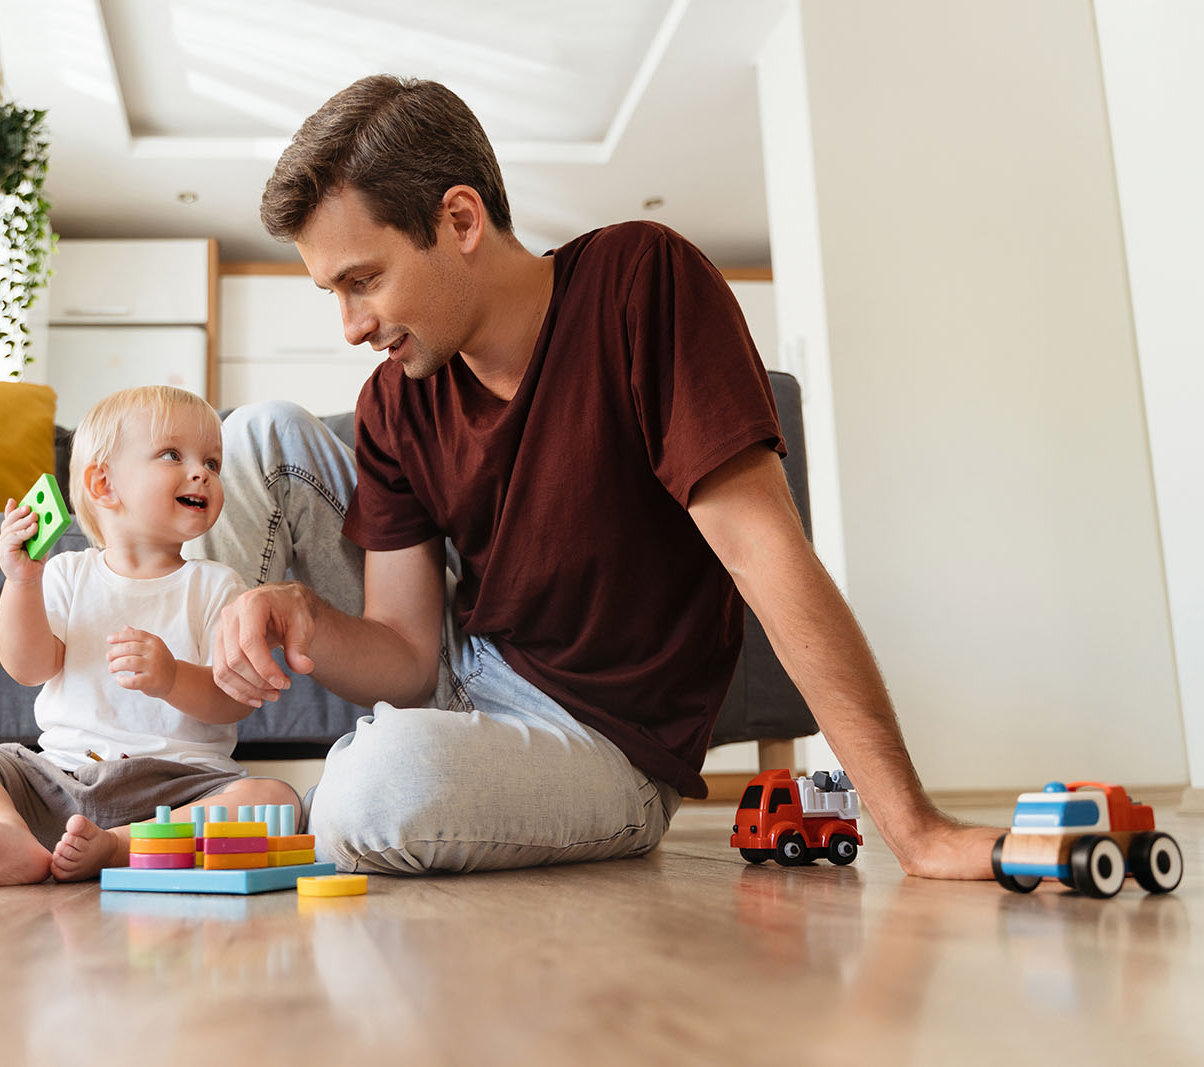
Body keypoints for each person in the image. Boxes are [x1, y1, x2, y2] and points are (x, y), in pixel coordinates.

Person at [198, 74, 998, 879]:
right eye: (333, 292)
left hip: (604, 745)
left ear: (460, 220)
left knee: (371, 788)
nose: (350, 326)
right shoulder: (396, 401)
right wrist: (304, 614)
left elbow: (764, 555)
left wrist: (916, 830)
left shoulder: (640, 283)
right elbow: (407, 657)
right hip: (462, 667)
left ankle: (305, 804)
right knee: (255, 438)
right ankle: (182, 779)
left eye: (363, 281)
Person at [0, 386, 299, 887]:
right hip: (61, 780)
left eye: (212, 462)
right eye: (173, 455)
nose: (202, 473)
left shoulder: (218, 586)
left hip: (179, 788)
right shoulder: (65, 573)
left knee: (274, 800)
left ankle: (121, 847)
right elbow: (28, 668)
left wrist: (172, 678)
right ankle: (7, 834)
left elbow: (232, 701)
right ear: (104, 484)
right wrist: (21, 582)